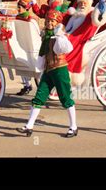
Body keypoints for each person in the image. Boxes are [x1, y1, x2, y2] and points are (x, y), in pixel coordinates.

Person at [16, 9, 78, 138]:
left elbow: (66, 49)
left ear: (57, 23)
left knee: (65, 98)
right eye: (48, 21)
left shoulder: (60, 35)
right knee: (39, 97)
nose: (49, 23)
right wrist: (39, 68)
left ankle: (73, 127)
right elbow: (43, 53)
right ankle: (29, 126)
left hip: (60, 70)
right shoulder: (46, 36)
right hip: (48, 70)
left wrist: (59, 35)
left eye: (52, 21)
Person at [61, 0, 106, 85]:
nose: (82, 5)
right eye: (80, 3)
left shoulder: (90, 14)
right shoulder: (74, 15)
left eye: (85, 3)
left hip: (80, 37)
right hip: (69, 35)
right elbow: (66, 26)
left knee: (66, 44)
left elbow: (98, 16)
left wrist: (101, 4)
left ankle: (67, 70)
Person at [15, 0, 36, 96]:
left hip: (29, 45)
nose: (18, 9)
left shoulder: (30, 20)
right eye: (18, 7)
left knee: (25, 65)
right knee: (21, 65)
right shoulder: (17, 18)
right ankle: (27, 85)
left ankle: (28, 85)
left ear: (25, 8)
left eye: (20, 7)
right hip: (21, 43)